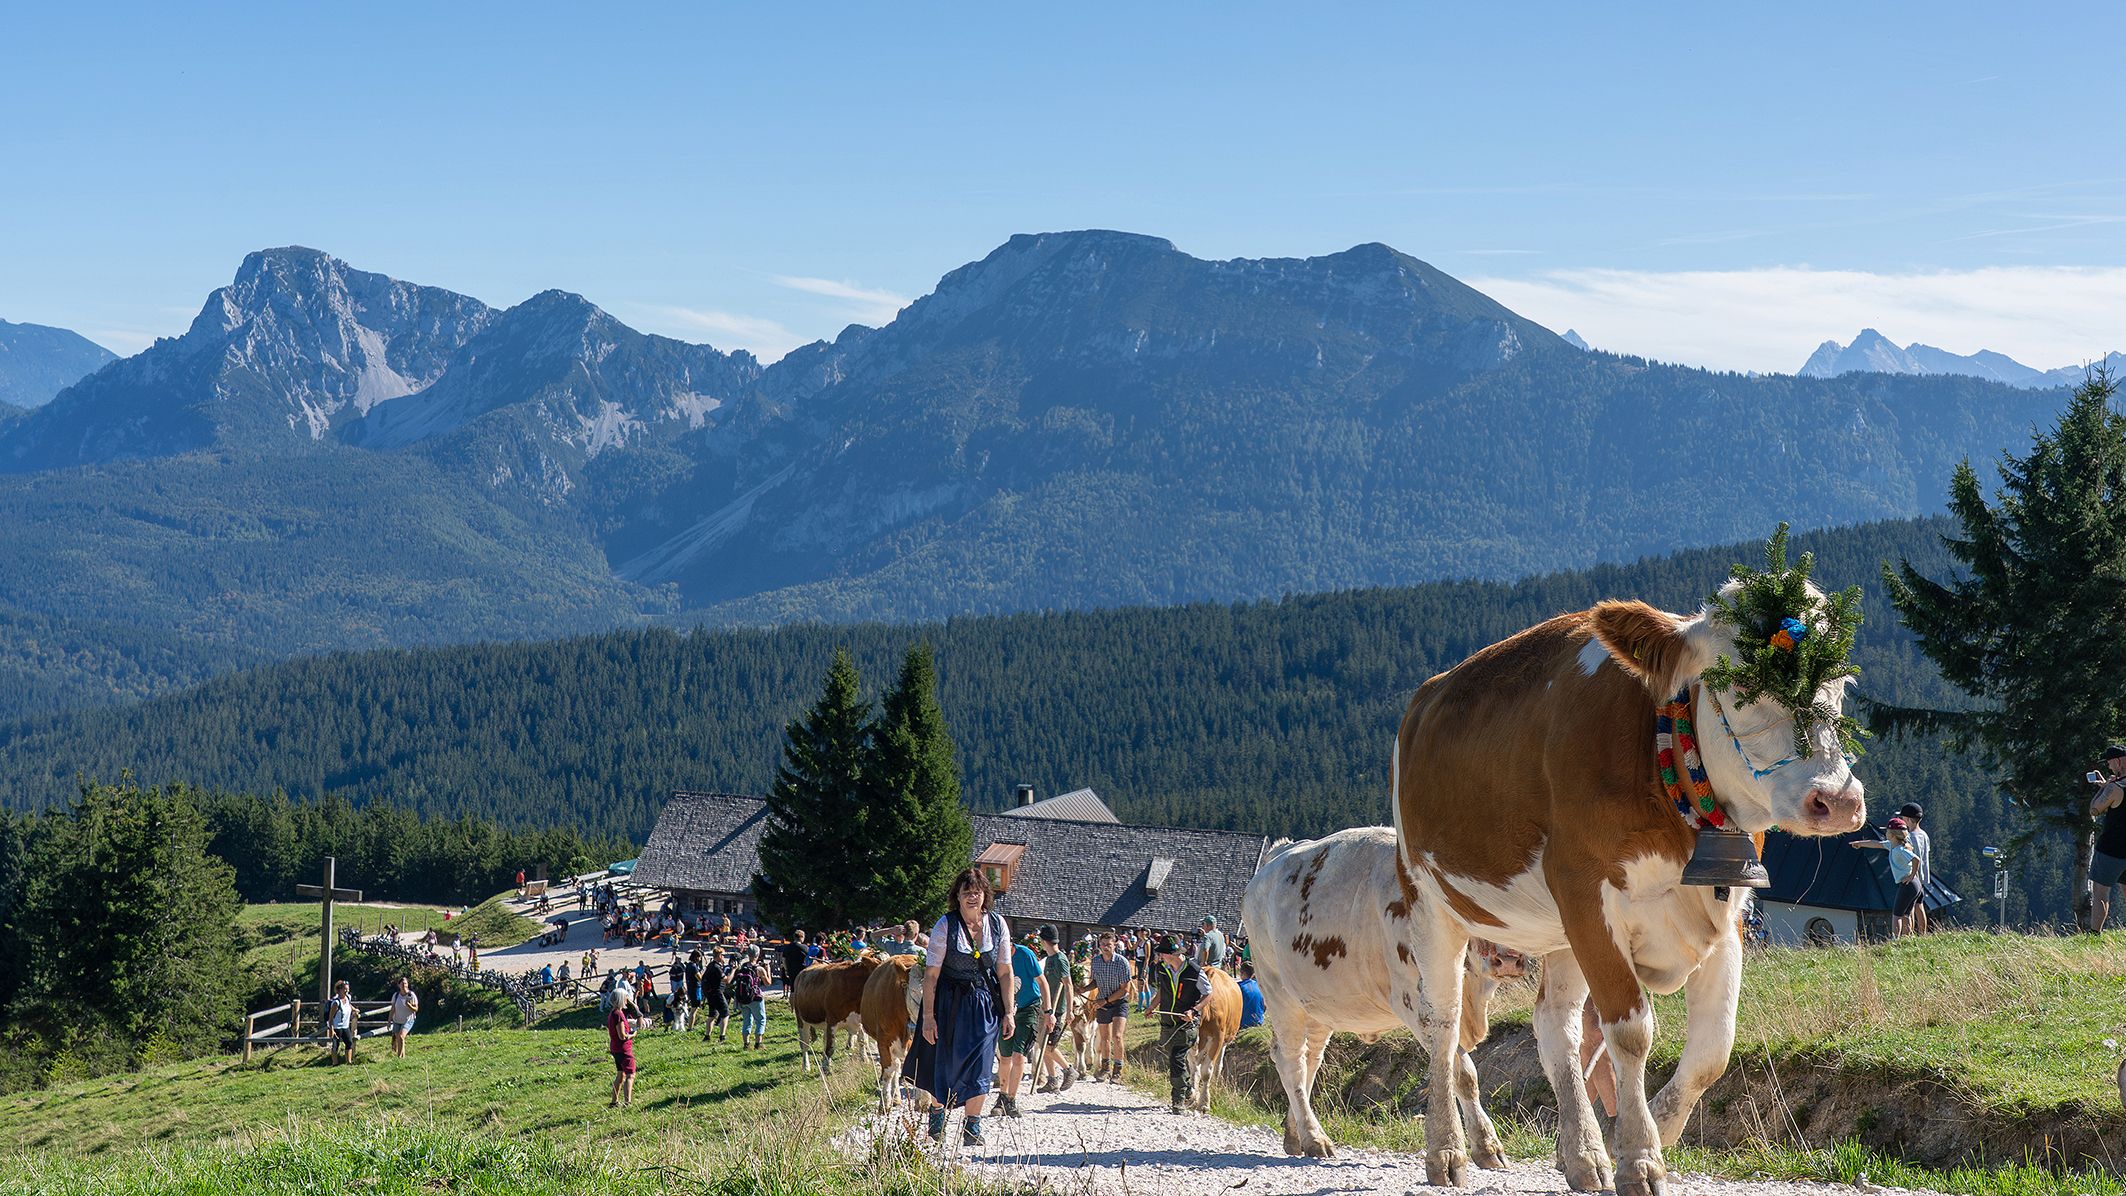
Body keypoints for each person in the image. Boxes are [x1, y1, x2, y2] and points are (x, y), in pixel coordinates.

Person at [910, 867, 1017, 1147]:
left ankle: (972, 1127)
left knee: (982, 1064)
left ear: (985, 896)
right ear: (957, 896)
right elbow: (931, 975)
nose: (972, 897)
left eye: (977, 892)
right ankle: (937, 1121)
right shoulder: (945, 925)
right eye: (966, 892)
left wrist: (1009, 1012)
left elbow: (1005, 972)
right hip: (948, 1002)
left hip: (984, 1005)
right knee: (943, 1061)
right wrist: (929, 1016)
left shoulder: (998, 925)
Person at [1148, 935, 1211, 1113]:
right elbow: (1162, 991)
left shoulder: (1194, 970)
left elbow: (1208, 994)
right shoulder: (1162, 969)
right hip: (1167, 1021)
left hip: (1186, 1023)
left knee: (1177, 1057)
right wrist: (1152, 1006)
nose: (1160, 956)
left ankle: (1179, 1099)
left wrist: (1194, 1010)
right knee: (1174, 1057)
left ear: (1173, 954)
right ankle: (1188, 1089)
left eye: (1163, 953)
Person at [993, 930, 1049, 1118]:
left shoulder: (1025, 954)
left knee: (1018, 1056)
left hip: (1028, 1008)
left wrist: (1048, 1011)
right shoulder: (994, 958)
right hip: (1005, 1010)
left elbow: (1042, 982)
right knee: (1005, 1057)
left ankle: (1011, 1099)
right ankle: (1002, 1096)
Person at [1852, 816, 1922, 936]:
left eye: (1887, 831)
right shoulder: (1892, 845)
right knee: (1905, 914)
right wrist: (1859, 843)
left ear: (1893, 835)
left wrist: (1911, 876)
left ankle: (1895, 939)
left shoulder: (1899, 850)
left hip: (1908, 885)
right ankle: (1907, 937)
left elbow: (1916, 859)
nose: (1886, 833)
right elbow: (1876, 844)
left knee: (1896, 915)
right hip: (1914, 885)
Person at [1033, 924, 1077, 1092]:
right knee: (1042, 1043)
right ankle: (1052, 1081)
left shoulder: (1060, 959)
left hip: (1057, 1010)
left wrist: (1069, 1010)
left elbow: (1068, 984)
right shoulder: (1049, 959)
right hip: (1047, 1007)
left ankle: (1068, 1070)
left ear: (1044, 941)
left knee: (1049, 1046)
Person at [1086, 930, 1134, 1081]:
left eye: (1108, 944)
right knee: (1104, 1037)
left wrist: (1105, 1000)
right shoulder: (1096, 961)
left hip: (1119, 1002)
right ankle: (1105, 1068)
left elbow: (1125, 989)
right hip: (1102, 1002)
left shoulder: (1122, 962)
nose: (1105, 947)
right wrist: (1083, 989)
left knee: (1117, 1036)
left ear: (1115, 945)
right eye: (1103, 944)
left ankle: (1118, 1070)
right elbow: (1095, 982)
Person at [2088, 746, 2126, 931]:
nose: (2109, 767)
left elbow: (2095, 809)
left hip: (2111, 850)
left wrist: (2102, 790)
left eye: (2109, 762)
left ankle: (2094, 934)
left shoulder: (2114, 788)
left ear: (2118, 761)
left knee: (2100, 892)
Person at [1898, 801, 1933, 932]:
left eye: (1902, 817)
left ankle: (1909, 934)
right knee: (1920, 905)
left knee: (1909, 909)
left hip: (1912, 876)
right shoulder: (1924, 835)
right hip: (1922, 876)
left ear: (1907, 819)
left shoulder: (1909, 838)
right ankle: (1922, 934)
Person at [733, 946, 769, 1049]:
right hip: (755, 997)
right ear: (757, 955)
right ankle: (758, 1043)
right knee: (761, 1020)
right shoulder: (759, 969)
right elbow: (768, 983)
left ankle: (746, 1044)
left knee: (747, 1021)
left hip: (742, 998)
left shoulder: (742, 967)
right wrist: (768, 970)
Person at [607, 991, 638, 1108]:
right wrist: (632, 1034)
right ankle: (627, 1102)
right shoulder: (618, 1014)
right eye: (625, 997)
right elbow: (622, 1036)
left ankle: (614, 1102)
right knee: (630, 1075)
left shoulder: (613, 1013)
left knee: (620, 1074)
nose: (626, 1000)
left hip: (615, 1048)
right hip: (623, 1049)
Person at [700, 949, 732, 1042]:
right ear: (719, 955)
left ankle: (707, 1036)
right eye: (723, 955)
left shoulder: (710, 965)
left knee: (712, 1015)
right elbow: (727, 980)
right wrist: (733, 971)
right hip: (717, 993)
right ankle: (722, 1036)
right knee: (725, 1014)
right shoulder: (716, 967)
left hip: (709, 993)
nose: (724, 957)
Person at [326, 979, 358, 1065]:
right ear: (339, 990)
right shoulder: (336, 1003)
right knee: (335, 1046)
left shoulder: (347, 998)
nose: (346, 991)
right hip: (337, 1027)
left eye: (347, 989)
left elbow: (349, 1005)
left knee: (349, 1043)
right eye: (345, 989)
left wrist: (354, 1009)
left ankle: (349, 1062)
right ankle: (335, 1063)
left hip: (345, 1026)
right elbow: (330, 1018)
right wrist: (332, 1030)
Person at [1235, 960, 1264, 1030]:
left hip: (1243, 1024)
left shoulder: (1238, 987)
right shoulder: (1259, 986)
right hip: (1258, 1022)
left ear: (1242, 973)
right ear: (1253, 974)